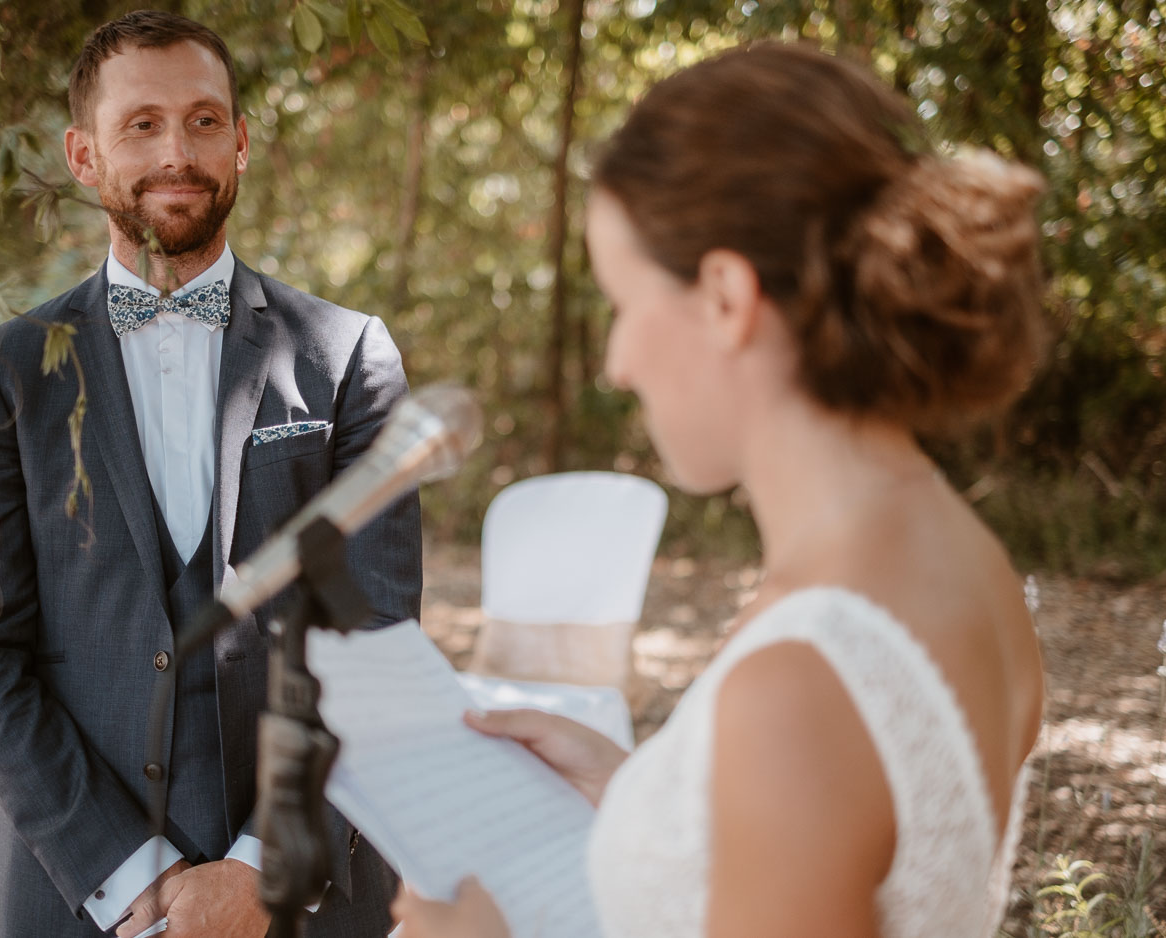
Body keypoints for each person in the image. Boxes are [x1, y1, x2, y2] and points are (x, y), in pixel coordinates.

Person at [395, 42, 1047, 938]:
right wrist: (630, 797)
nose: (618, 364)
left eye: (625, 303)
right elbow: (831, 837)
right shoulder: (966, 562)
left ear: (726, 297)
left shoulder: (798, 681)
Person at [0, 11, 420, 938]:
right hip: (75, 894)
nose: (178, 152)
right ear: (84, 156)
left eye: (204, 121)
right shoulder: (7, 371)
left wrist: (257, 873)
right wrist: (137, 882)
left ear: (240, 142)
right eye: (141, 125)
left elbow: (382, 647)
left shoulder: (348, 357)